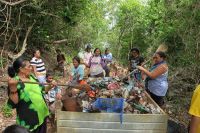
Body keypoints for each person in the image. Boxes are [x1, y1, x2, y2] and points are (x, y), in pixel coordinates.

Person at [7, 57, 57, 133]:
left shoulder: (32, 77)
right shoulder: (15, 82)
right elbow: (13, 104)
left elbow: (42, 90)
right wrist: (13, 88)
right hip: (29, 122)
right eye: (29, 66)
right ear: (21, 69)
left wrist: (50, 85)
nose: (32, 68)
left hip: (42, 116)